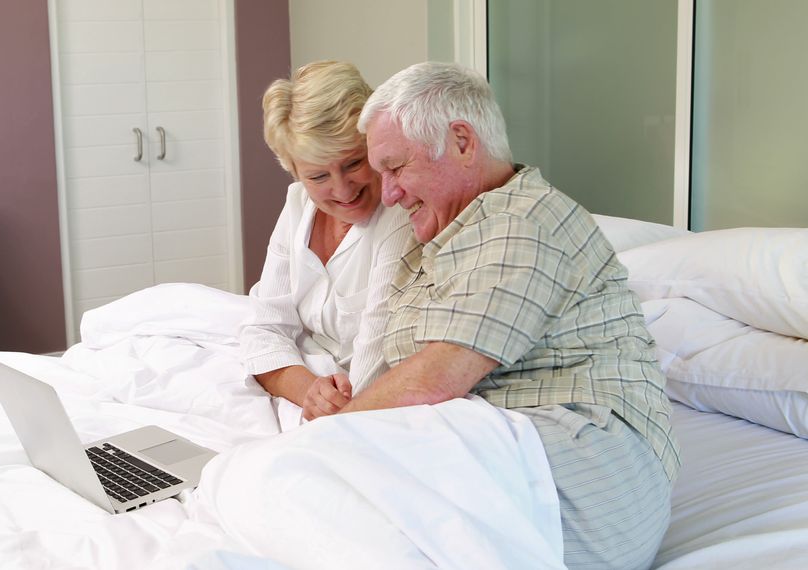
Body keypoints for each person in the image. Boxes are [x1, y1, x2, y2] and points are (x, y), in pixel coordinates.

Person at [340, 61, 680, 569]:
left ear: (461, 141)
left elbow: (433, 380)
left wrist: (322, 439)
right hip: (504, 445)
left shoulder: (526, 222)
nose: (387, 193)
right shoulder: (441, 236)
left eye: (395, 168)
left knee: (291, 482)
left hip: (591, 468)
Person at [239, 61, 411, 422]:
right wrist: (309, 391)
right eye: (318, 175)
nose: (343, 189)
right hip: (313, 390)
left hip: (359, 403)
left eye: (353, 163)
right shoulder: (297, 204)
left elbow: (374, 364)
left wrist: (330, 403)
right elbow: (265, 327)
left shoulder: (399, 216)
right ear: (294, 170)